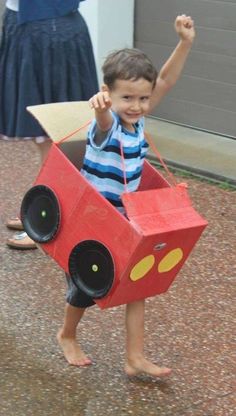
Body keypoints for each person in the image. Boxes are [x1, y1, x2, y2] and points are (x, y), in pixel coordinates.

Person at [57, 14, 195, 377]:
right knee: (86, 286)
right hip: (93, 219)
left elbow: (165, 79)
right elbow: (104, 121)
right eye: (127, 98)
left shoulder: (140, 119)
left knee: (137, 285)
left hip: (125, 218)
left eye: (143, 98)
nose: (136, 105)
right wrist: (103, 109)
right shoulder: (109, 124)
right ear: (109, 91)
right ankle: (67, 334)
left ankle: (134, 357)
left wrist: (184, 43)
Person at [0, 0, 98, 249]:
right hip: (30, 26)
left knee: (51, 136)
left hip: (48, 33)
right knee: (43, 137)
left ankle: (45, 221)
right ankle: (43, 211)